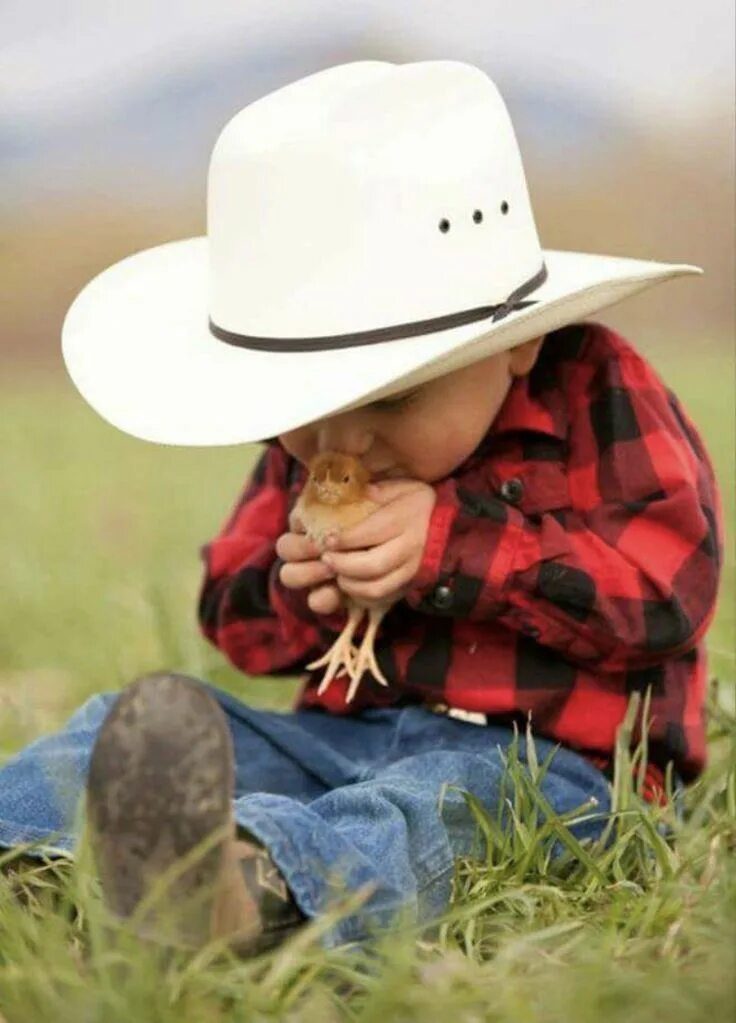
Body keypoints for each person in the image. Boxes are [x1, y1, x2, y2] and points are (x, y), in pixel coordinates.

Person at [0, 60, 722, 956]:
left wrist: (453, 548)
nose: (343, 440)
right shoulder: (315, 450)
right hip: (339, 733)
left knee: (426, 806)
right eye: (307, 407)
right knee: (130, 720)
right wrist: (300, 584)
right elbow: (232, 618)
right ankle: (35, 849)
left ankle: (246, 882)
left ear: (517, 345)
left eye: (389, 400)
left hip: (554, 767)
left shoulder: (595, 391)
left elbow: (668, 593)